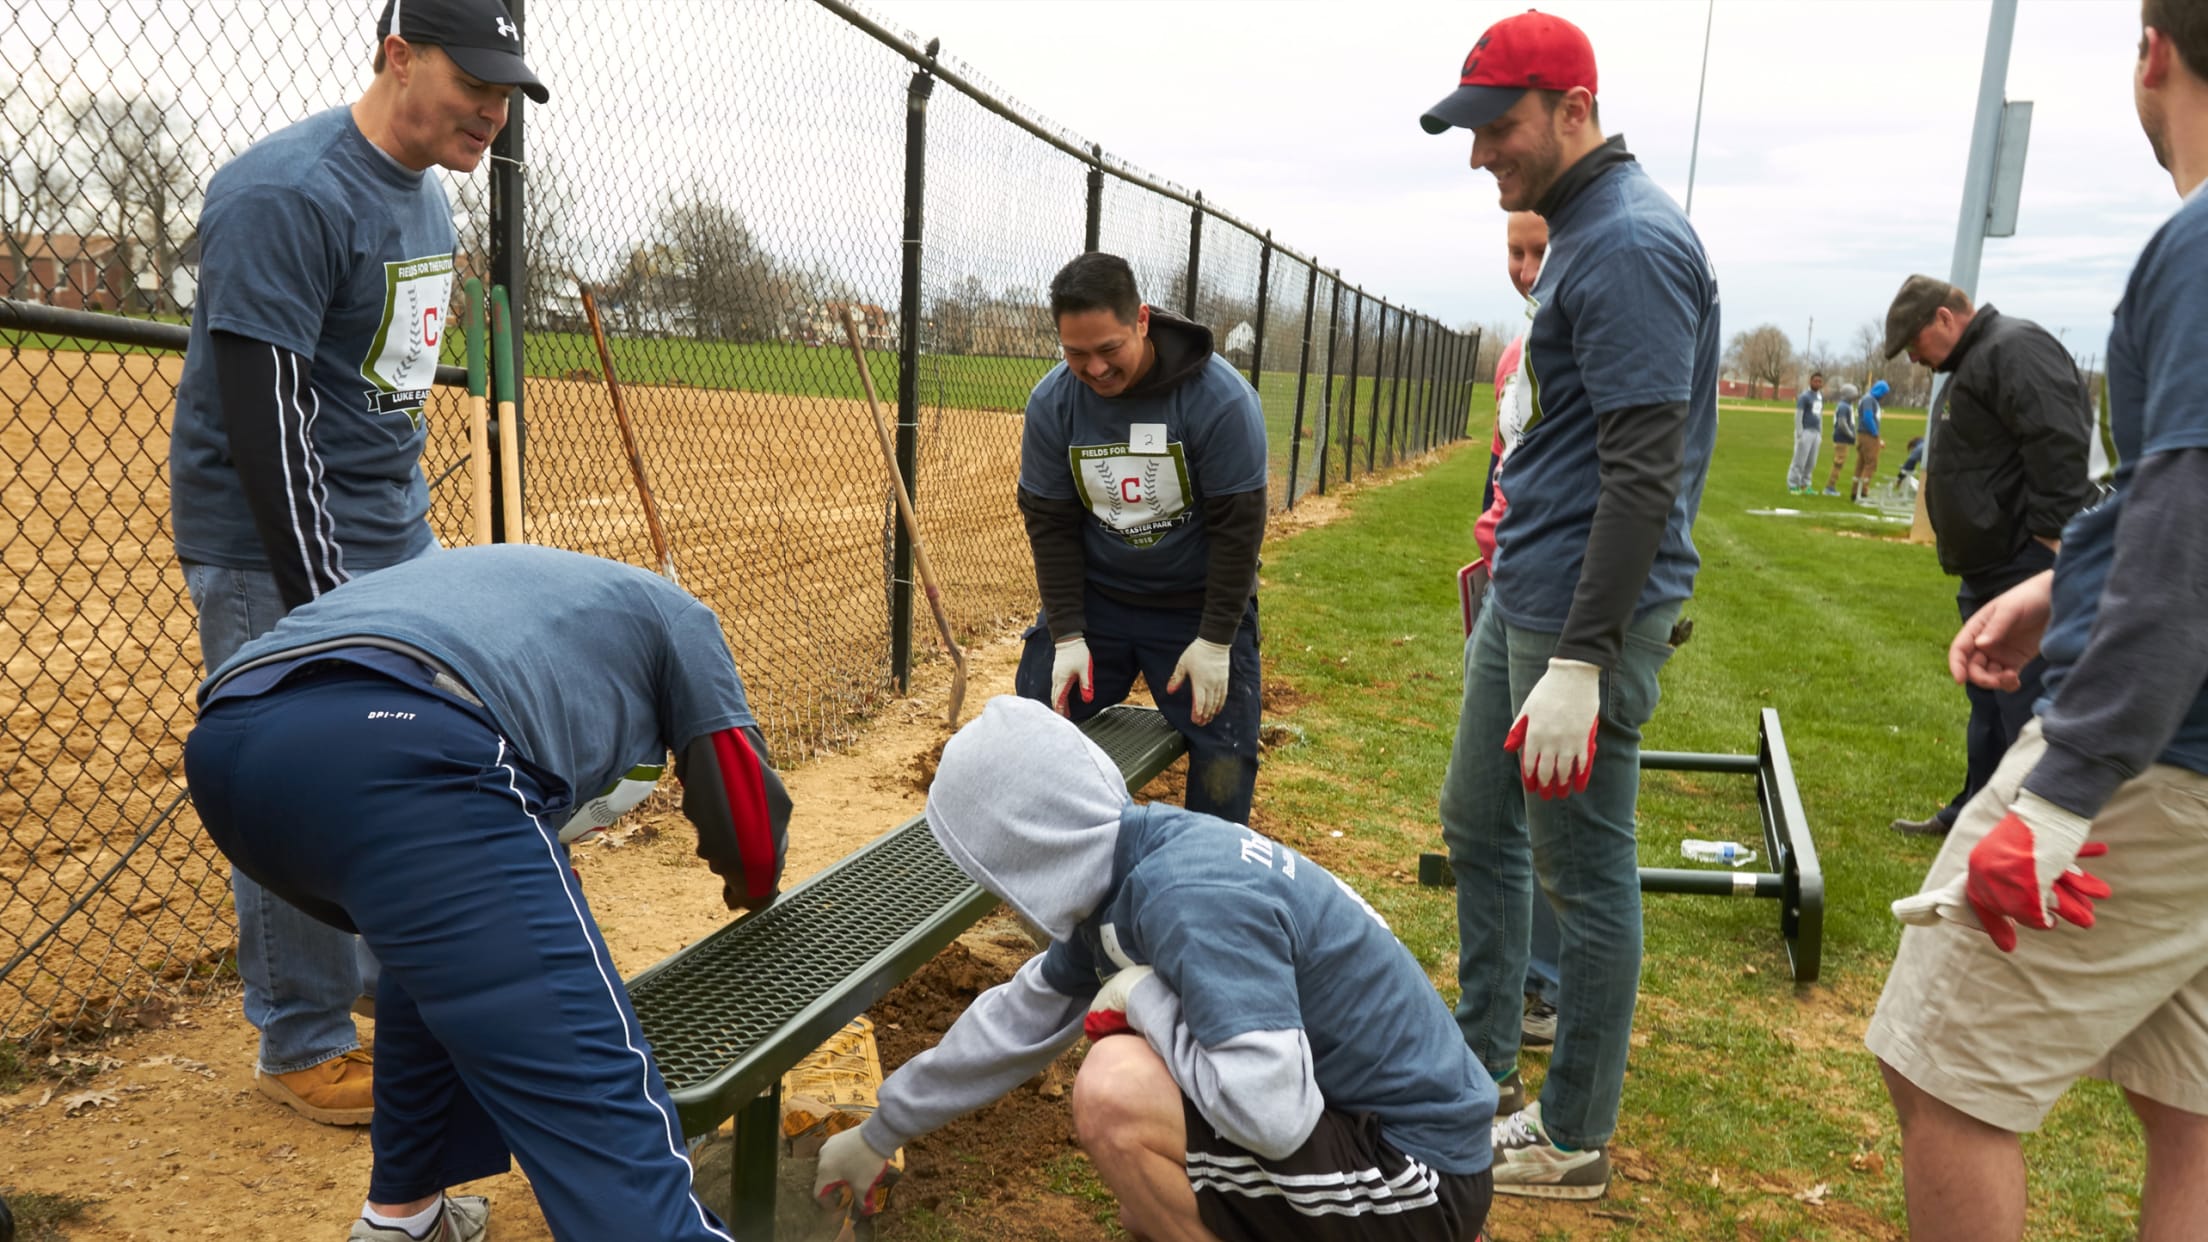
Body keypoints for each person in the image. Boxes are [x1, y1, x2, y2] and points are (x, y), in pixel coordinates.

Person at [165, 0, 546, 1124]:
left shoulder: (426, 186)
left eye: (507, 89)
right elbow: (268, 420)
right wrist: (329, 613)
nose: (494, 109)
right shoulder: (286, 193)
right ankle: (302, 1040)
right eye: (474, 81)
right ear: (397, 56)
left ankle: (392, 983)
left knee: (413, 755)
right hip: (269, 532)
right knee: (300, 770)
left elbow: (388, 385)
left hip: (386, 523)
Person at [184, 545, 788, 1242]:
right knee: (601, 1115)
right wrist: (758, 887)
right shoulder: (684, 621)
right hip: (404, 752)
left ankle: (402, 1218)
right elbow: (743, 807)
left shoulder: (535, 591)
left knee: (434, 942)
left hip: (232, 748)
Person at [1868, 8, 2208, 1237]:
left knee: (1940, 1070)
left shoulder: (2200, 246)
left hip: (2159, 760)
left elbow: (2190, 535)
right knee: (2192, 1117)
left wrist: (2061, 796)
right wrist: (2067, 586)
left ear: (2154, 51)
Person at [812, 697, 1495, 1242]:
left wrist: (1144, 999)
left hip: (1418, 1180)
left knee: (1115, 1093)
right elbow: (1021, 1018)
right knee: (1149, 1201)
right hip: (1371, 1136)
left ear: (1026, 847)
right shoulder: (1136, 869)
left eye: (992, 875)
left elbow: (1275, 1115)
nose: (999, 899)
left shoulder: (1186, 898)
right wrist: (880, 1132)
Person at [1420, 9, 1719, 1199]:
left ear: (1571, 109)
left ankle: (1575, 1133)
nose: (1482, 152)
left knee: (1585, 878)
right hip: (1526, 595)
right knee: (1477, 823)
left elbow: (1645, 474)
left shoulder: (1635, 243)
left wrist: (1585, 661)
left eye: (1498, 126)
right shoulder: (1584, 231)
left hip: (1577, 621)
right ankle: (1482, 1063)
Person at [1013, 252, 1269, 826]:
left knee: (1225, 751)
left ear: (1143, 322)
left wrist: (1217, 641)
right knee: (1032, 720)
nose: (1095, 369)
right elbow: (1050, 526)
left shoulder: (1219, 400)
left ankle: (1210, 879)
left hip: (1194, 605)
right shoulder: (1053, 404)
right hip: (1100, 601)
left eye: (1109, 349)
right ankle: (1052, 858)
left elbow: (1238, 531)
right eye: (1075, 353)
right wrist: (1068, 633)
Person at [1878, 276, 2095, 838]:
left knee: (2024, 698)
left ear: (1945, 319)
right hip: (1989, 566)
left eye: (1914, 343)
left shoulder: (2014, 348)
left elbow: (2058, 440)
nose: (1915, 359)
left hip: (2022, 564)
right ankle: (1976, 811)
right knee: (1989, 699)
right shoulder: (1975, 362)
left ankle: (2026, 824)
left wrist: (2050, 542)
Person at [1464, 209, 1564, 1049]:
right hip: (1503, 584)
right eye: (1515, 252)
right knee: (1481, 808)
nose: (1526, 268)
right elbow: (1503, 473)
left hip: (1553, 600)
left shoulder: (1583, 339)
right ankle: (1495, 1022)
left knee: (1547, 815)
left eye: (1540, 252)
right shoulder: (1511, 357)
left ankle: (1546, 989)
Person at [1851, 380, 1889, 502]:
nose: (1884, 396)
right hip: (1868, 435)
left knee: (1861, 463)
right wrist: (1875, 433)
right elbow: (1867, 417)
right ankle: (1863, 491)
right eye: (1884, 393)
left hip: (1864, 434)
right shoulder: (1869, 400)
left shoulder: (1870, 400)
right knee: (1871, 463)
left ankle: (1855, 491)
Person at [1787, 371, 1824, 494]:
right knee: (1799, 461)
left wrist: (1820, 433)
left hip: (1816, 433)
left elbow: (1820, 415)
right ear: (1810, 381)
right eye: (1815, 381)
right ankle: (1793, 484)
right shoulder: (1804, 397)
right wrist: (1799, 433)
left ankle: (1805, 484)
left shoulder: (1819, 397)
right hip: (1806, 432)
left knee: (1811, 462)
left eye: (1820, 381)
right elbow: (1798, 415)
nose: (1818, 383)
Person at [1821, 379, 1857, 496]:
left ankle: (1831, 486)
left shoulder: (1846, 406)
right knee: (1838, 463)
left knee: (1839, 463)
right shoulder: (1844, 407)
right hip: (1842, 439)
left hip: (1843, 438)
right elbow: (1842, 424)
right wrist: (1851, 435)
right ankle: (1830, 487)